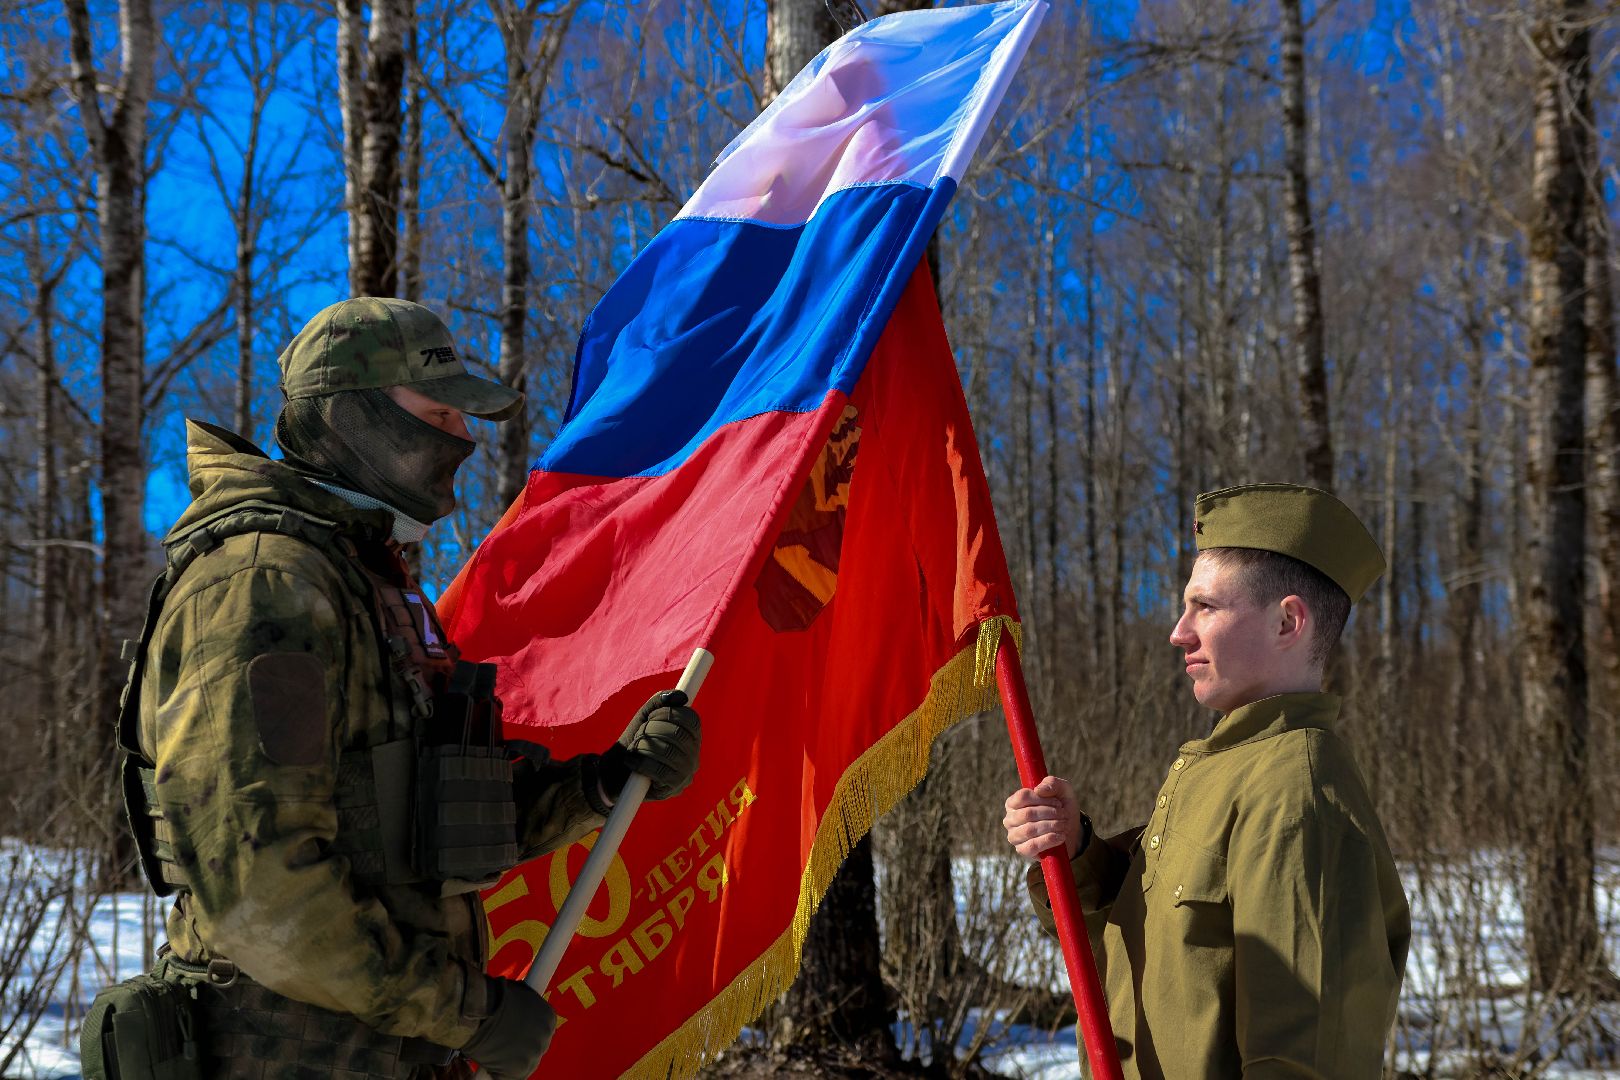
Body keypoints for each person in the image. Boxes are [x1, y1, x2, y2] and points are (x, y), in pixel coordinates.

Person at [104, 297, 701, 1079]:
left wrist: (604, 783)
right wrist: (466, 1013)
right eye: (440, 413)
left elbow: (427, 819)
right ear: (354, 420)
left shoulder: (365, 583)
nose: (464, 437)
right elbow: (258, 891)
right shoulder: (265, 585)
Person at [1003, 484, 1410, 1078]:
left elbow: (1307, 1057)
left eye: (1206, 607)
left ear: (1287, 621)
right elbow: (1145, 953)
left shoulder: (1295, 791)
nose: (1178, 631)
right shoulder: (1225, 769)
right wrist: (1077, 853)